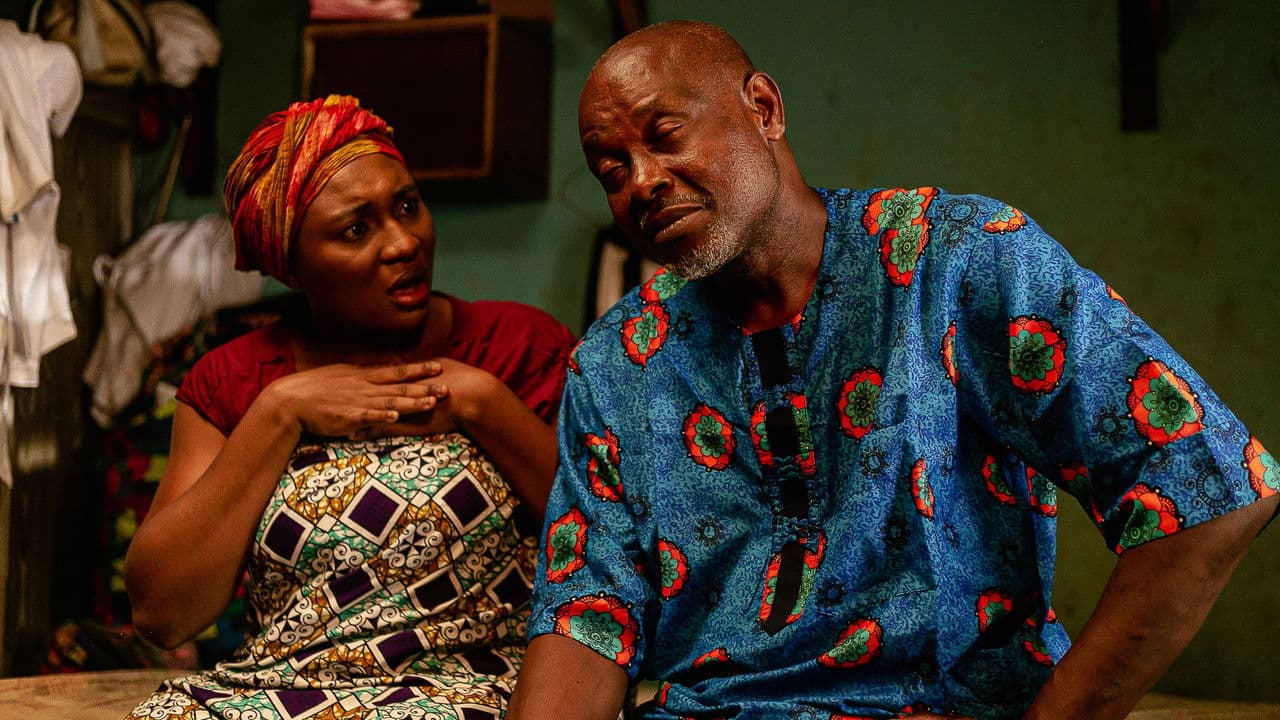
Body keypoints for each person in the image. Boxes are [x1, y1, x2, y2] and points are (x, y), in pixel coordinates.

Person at [507, 21, 1280, 720]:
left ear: (764, 109)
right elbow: (586, 620)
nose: (641, 181)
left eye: (664, 135)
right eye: (611, 170)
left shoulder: (959, 262)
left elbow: (1208, 487)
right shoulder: (615, 363)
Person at [123, 95, 575, 718]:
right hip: (276, 690)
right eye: (356, 230)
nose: (404, 243)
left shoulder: (518, 348)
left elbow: (609, 548)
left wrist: (483, 403)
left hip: (466, 689)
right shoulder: (237, 380)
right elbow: (162, 613)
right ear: (291, 265)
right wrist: (278, 414)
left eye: (407, 206)